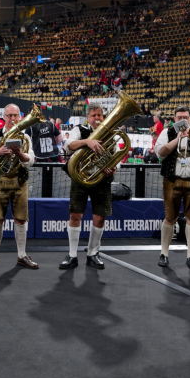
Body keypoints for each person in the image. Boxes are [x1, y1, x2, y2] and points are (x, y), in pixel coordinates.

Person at [61, 104, 126, 270]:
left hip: (102, 179)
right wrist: (87, 142)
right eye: (94, 115)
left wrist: (113, 167)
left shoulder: (111, 133)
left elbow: (117, 157)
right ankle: (72, 255)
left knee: (100, 217)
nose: (97, 118)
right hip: (80, 178)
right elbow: (68, 146)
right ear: (87, 118)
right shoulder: (79, 129)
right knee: (75, 215)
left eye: (100, 115)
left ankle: (93, 253)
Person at [153, 107, 190, 269]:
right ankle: (164, 254)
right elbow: (160, 153)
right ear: (174, 119)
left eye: (185, 117)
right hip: (172, 180)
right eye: (179, 117)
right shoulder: (167, 132)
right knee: (169, 217)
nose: (182, 120)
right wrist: (177, 138)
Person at [0, 104, 37, 269]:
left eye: (15, 115)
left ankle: (22, 255)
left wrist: (19, 154)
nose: (12, 119)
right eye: (9, 115)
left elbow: (31, 160)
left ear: (20, 117)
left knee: (21, 219)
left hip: (20, 181)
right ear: (4, 117)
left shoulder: (25, 137)